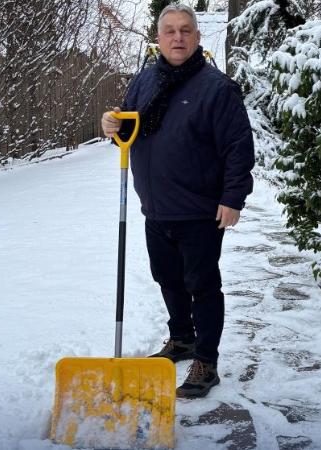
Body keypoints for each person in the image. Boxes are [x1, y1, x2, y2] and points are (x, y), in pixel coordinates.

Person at [100, 3, 255, 399]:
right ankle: (182, 338)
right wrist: (112, 127)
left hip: (200, 209)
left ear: (198, 38)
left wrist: (232, 197)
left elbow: (238, 146)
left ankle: (207, 359)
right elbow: (129, 129)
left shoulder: (217, 88)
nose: (178, 37)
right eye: (169, 30)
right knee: (167, 278)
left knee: (201, 284)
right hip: (156, 207)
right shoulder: (144, 80)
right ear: (158, 37)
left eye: (186, 30)